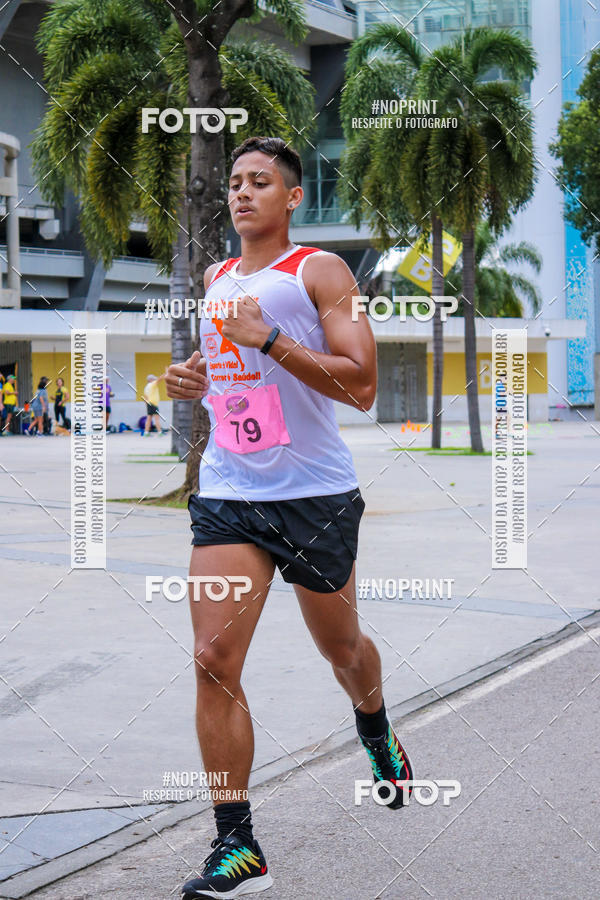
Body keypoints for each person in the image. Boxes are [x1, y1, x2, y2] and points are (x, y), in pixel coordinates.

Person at [166, 136, 413, 900]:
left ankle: (373, 724)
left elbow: (363, 386)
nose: (242, 193)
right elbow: (226, 376)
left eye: (260, 182)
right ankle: (237, 846)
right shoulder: (214, 278)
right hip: (231, 494)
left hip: (313, 496)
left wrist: (268, 337)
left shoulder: (319, 271)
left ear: (292, 197)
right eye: (236, 182)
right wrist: (190, 380)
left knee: (341, 648)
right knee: (212, 657)